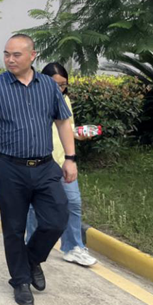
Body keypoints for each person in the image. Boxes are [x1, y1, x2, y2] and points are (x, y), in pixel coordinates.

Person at [0, 34, 76, 305]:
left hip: (45, 166)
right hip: (9, 168)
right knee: (14, 227)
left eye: (16, 54)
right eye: (6, 54)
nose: (10, 59)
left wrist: (70, 158)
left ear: (32, 55)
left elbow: (63, 122)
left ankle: (31, 260)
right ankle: (20, 280)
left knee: (57, 218)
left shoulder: (49, 86)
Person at [26, 62, 97, 267]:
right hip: (39, 162)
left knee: (72, 202)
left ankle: (73, 247)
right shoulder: (30, 99)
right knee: (34, 208)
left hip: (62, 161)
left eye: (63, 85)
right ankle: (31, 247)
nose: (59, 89)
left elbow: (68, 128)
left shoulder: (64, 100)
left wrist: (79, 135)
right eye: (55, 84)